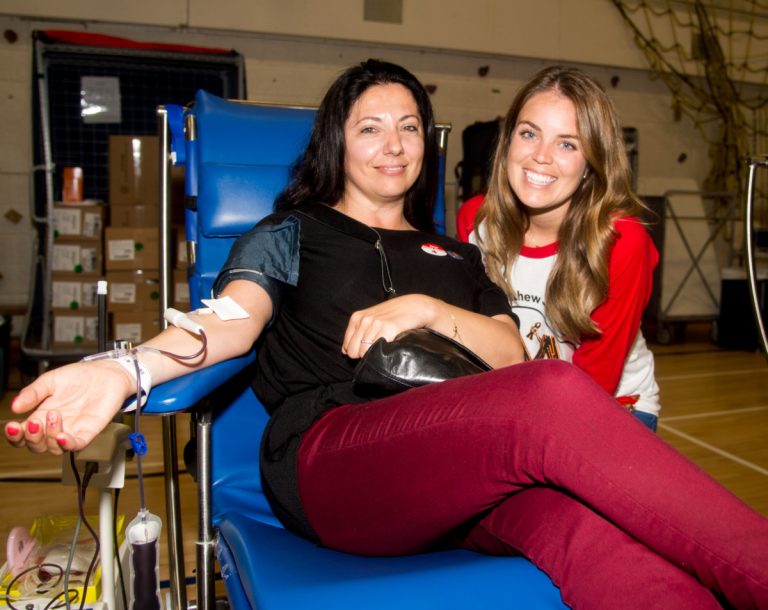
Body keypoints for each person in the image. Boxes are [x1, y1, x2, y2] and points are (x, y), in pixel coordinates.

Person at [5, 60, 767, 609]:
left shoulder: (460, 255)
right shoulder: (292, 232)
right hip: (335, 459)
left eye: (409, 127)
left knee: (582, 531)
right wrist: (126, 369)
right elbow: (229, 325)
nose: (394, 143)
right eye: (371, 127)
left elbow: (510, 355)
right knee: (552, 397)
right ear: (337, 142)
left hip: (457, 471)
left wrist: (432, 312)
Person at [457, 65, 660, 430]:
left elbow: (596, 379)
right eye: (529, 134)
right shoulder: (475, 220)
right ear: (508, 142)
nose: (541, 156)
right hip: (511, 399)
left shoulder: (622, 241)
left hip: (610, 406)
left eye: (567, 144)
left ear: (590, 164)